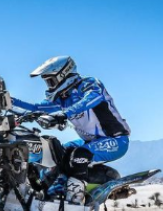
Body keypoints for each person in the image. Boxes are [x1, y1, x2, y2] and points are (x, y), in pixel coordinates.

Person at [11, 56, 131, 198]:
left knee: (78, 155)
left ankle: (74, 200)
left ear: (63, 75)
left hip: (116, 140)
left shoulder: (90, 84)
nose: (49, 86)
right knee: (56, 152)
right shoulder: (63, 99)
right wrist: (8, 100)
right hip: (90, 142)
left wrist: (64, 115)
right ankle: (50, 191)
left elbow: (91, 99)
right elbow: (35, 107)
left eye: (50, 81)